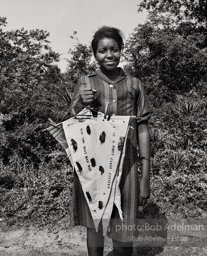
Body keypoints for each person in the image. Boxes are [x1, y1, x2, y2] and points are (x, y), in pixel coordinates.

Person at [69, 26, 151, 256]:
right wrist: (83, 105)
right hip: (93, 166)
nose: (109, 55)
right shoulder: (86, 82)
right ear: (94, 54)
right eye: (102, 50)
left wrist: (145, 177)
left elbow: (143, 128)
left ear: (121, 51)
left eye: (114, 49)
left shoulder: (135, 84)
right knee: (96, 225)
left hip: (127, 166)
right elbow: (72, 127)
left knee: (124, 227)